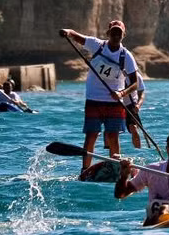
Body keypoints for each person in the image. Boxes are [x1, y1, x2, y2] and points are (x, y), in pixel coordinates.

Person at [59, 21, 140, 176]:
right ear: (108, 33)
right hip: (94, 100)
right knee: (92, 135)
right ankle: (84, 170)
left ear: (123, 35)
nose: (116, 36)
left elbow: (135, 83)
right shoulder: (97, 45)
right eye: (113, 32)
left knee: (112, 137)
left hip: (114, 102)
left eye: (119, 33)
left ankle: (114, 168)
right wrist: (67, 32)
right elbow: (77, 36)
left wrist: (122, 93)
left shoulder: (126, 56)